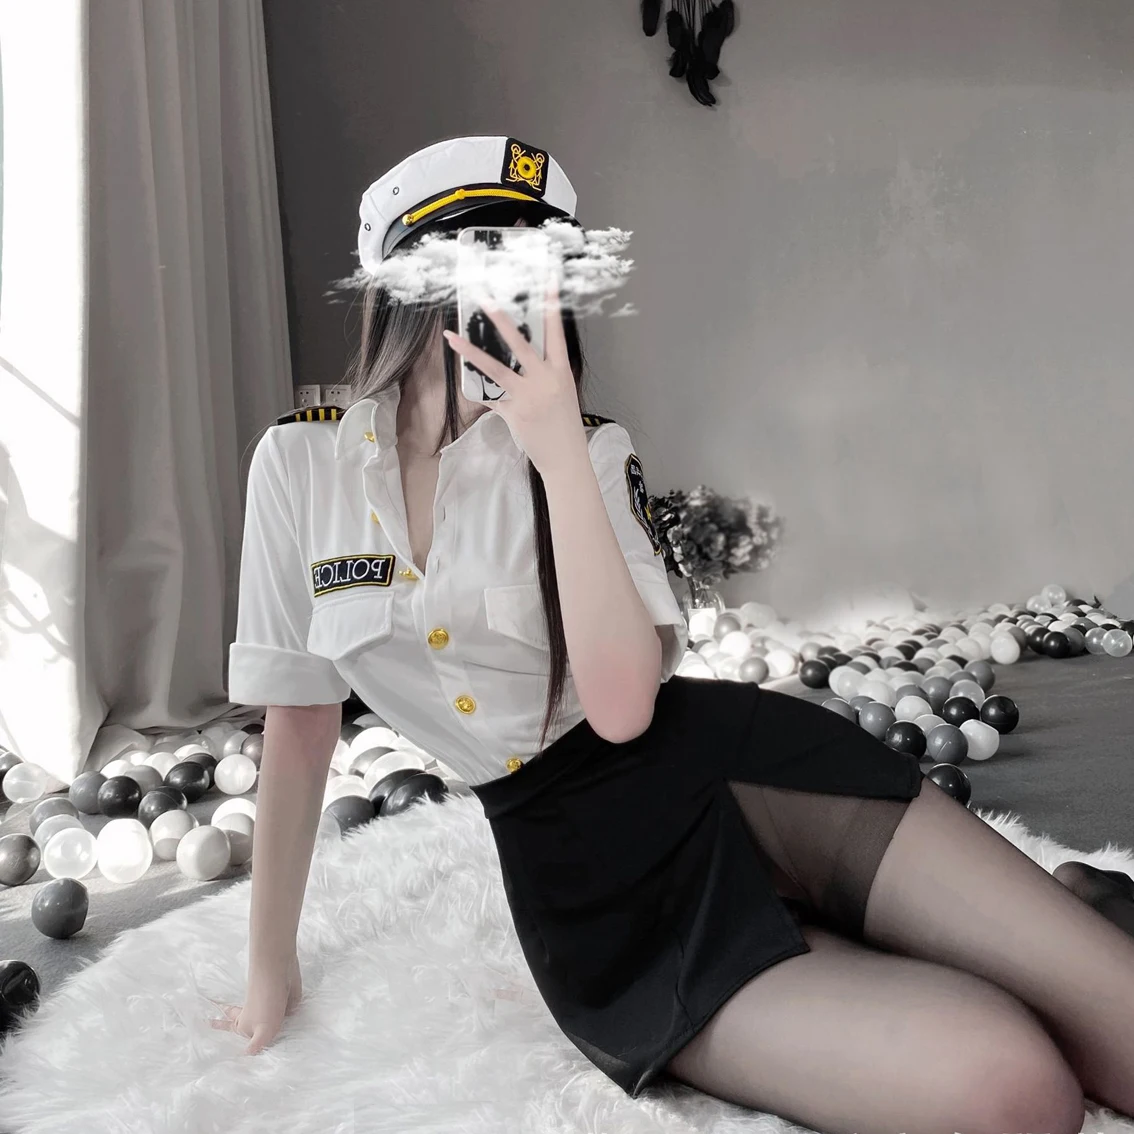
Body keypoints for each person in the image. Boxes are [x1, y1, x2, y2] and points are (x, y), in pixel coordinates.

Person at [214, 135, 1134, 1134]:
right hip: (601, 890)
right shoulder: (297, 468)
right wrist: (271, 966)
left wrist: (556, 450)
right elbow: (299, 724)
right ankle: (1020, 928)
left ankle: (1065, 916)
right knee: (1019, 1096)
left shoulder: (591, 450)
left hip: (751, 772)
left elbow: (621, 708)